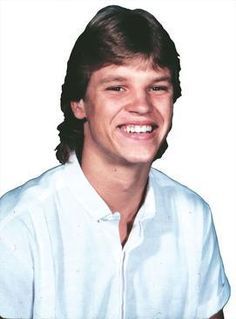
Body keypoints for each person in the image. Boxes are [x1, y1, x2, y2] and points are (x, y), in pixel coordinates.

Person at [0, 5, 230, 319]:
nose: (142, 106)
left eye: (157, 87)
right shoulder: (17, 226)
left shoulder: (193, 217)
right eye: (117, 87)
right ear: (79, 103)